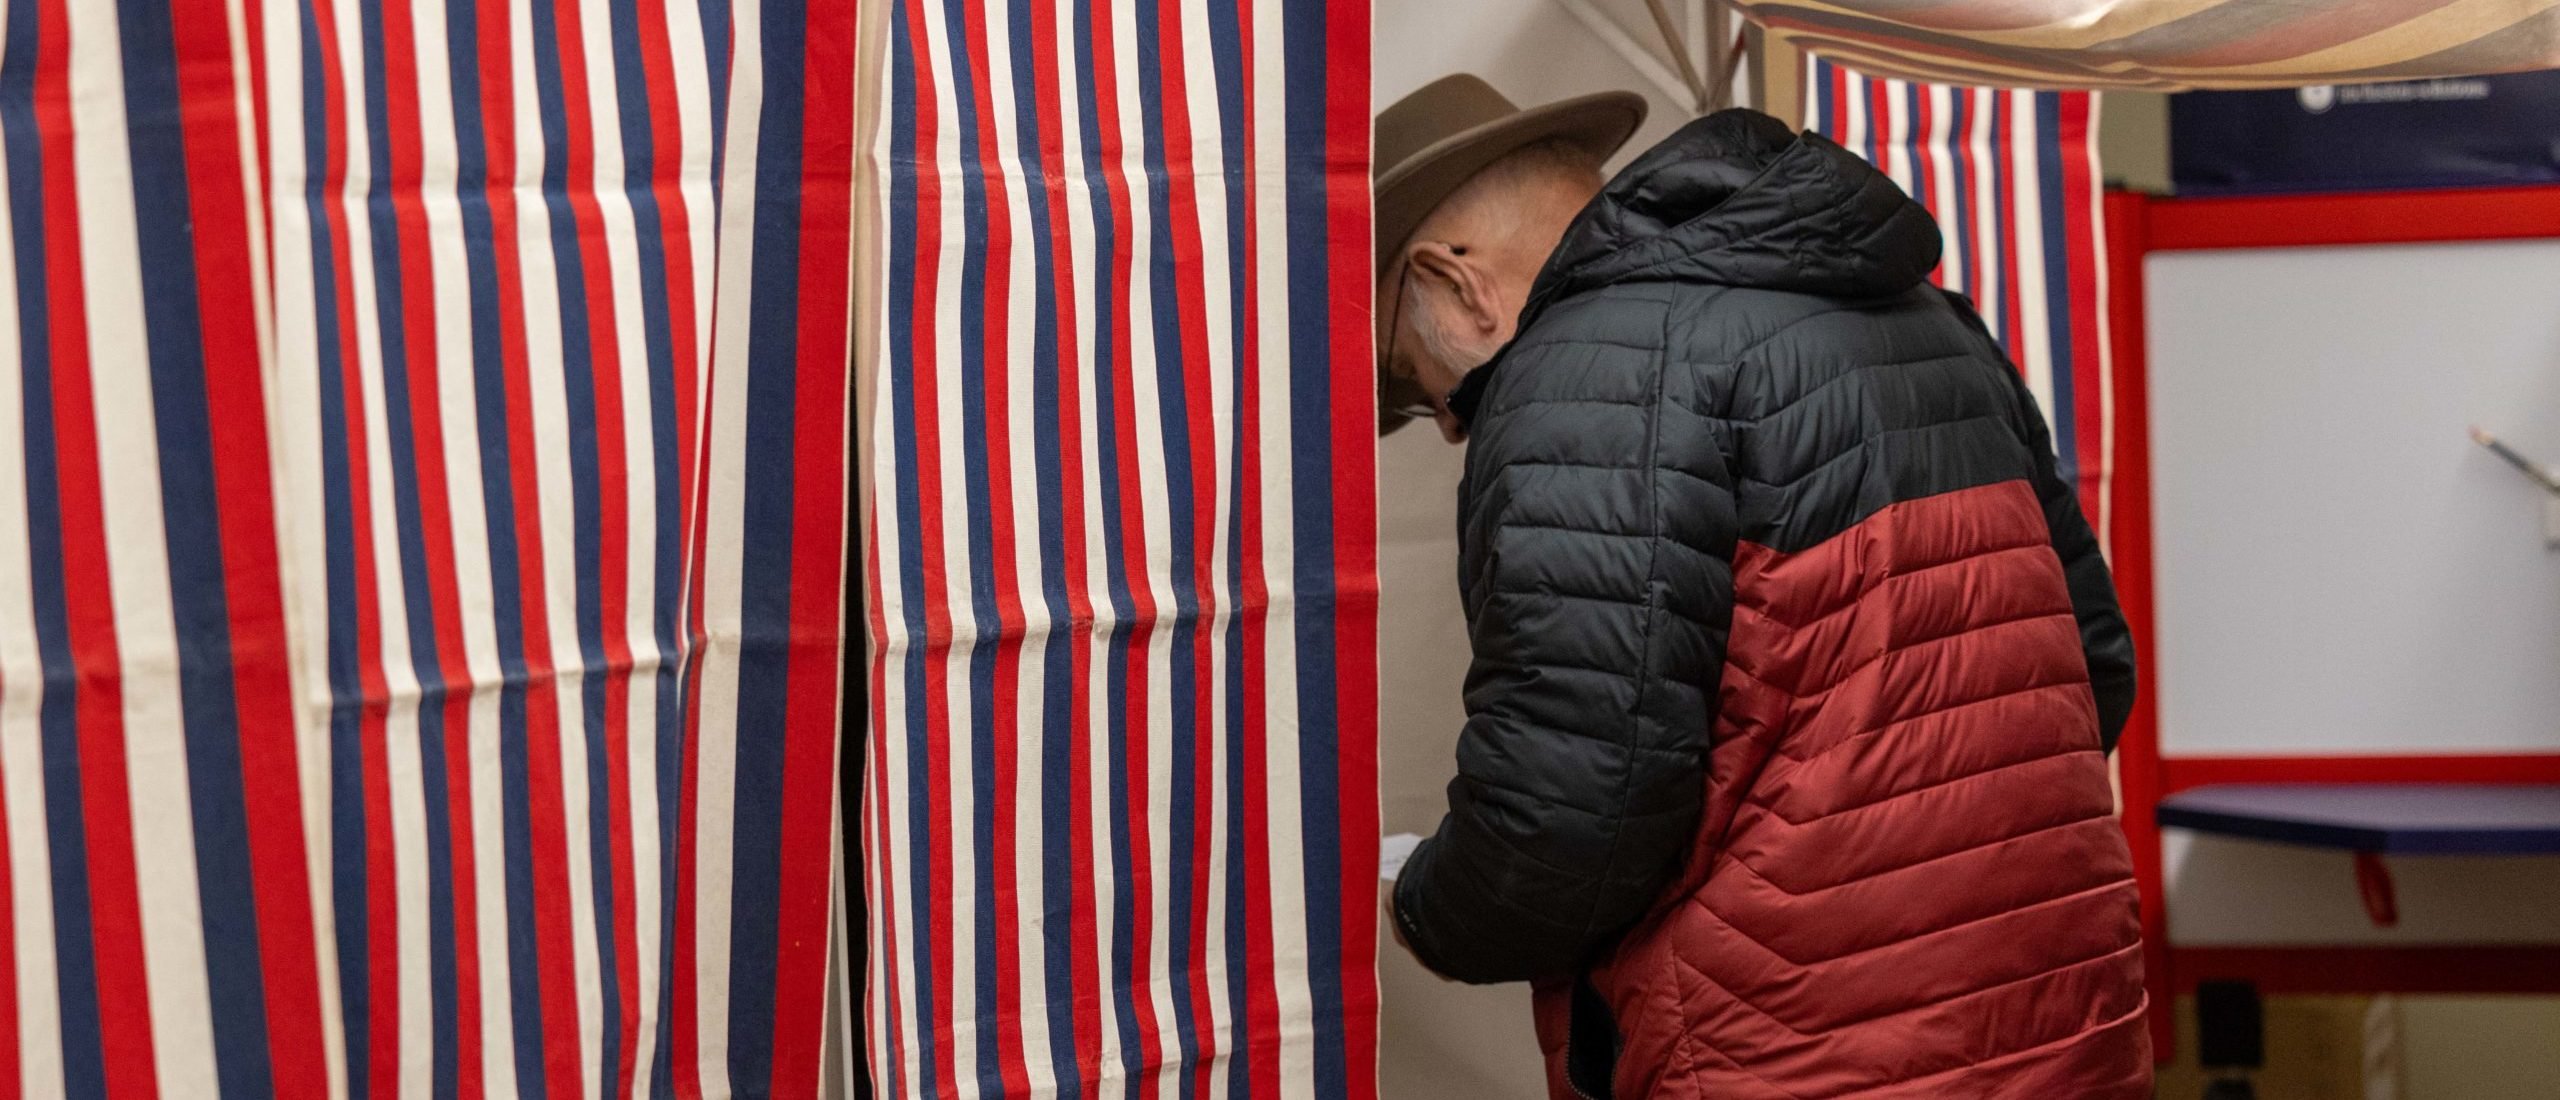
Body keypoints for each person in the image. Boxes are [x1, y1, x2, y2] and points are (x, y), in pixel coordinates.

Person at [1376, 75, 2151, 1098]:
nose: (1451, 426)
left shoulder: (1584, 372)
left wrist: (1427, 898)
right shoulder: (1929, 317)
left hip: (1798, 1051)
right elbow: (2090, 662)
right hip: (2062, 1027)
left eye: (1435, 387)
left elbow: (1573, 816)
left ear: (1458, 281)